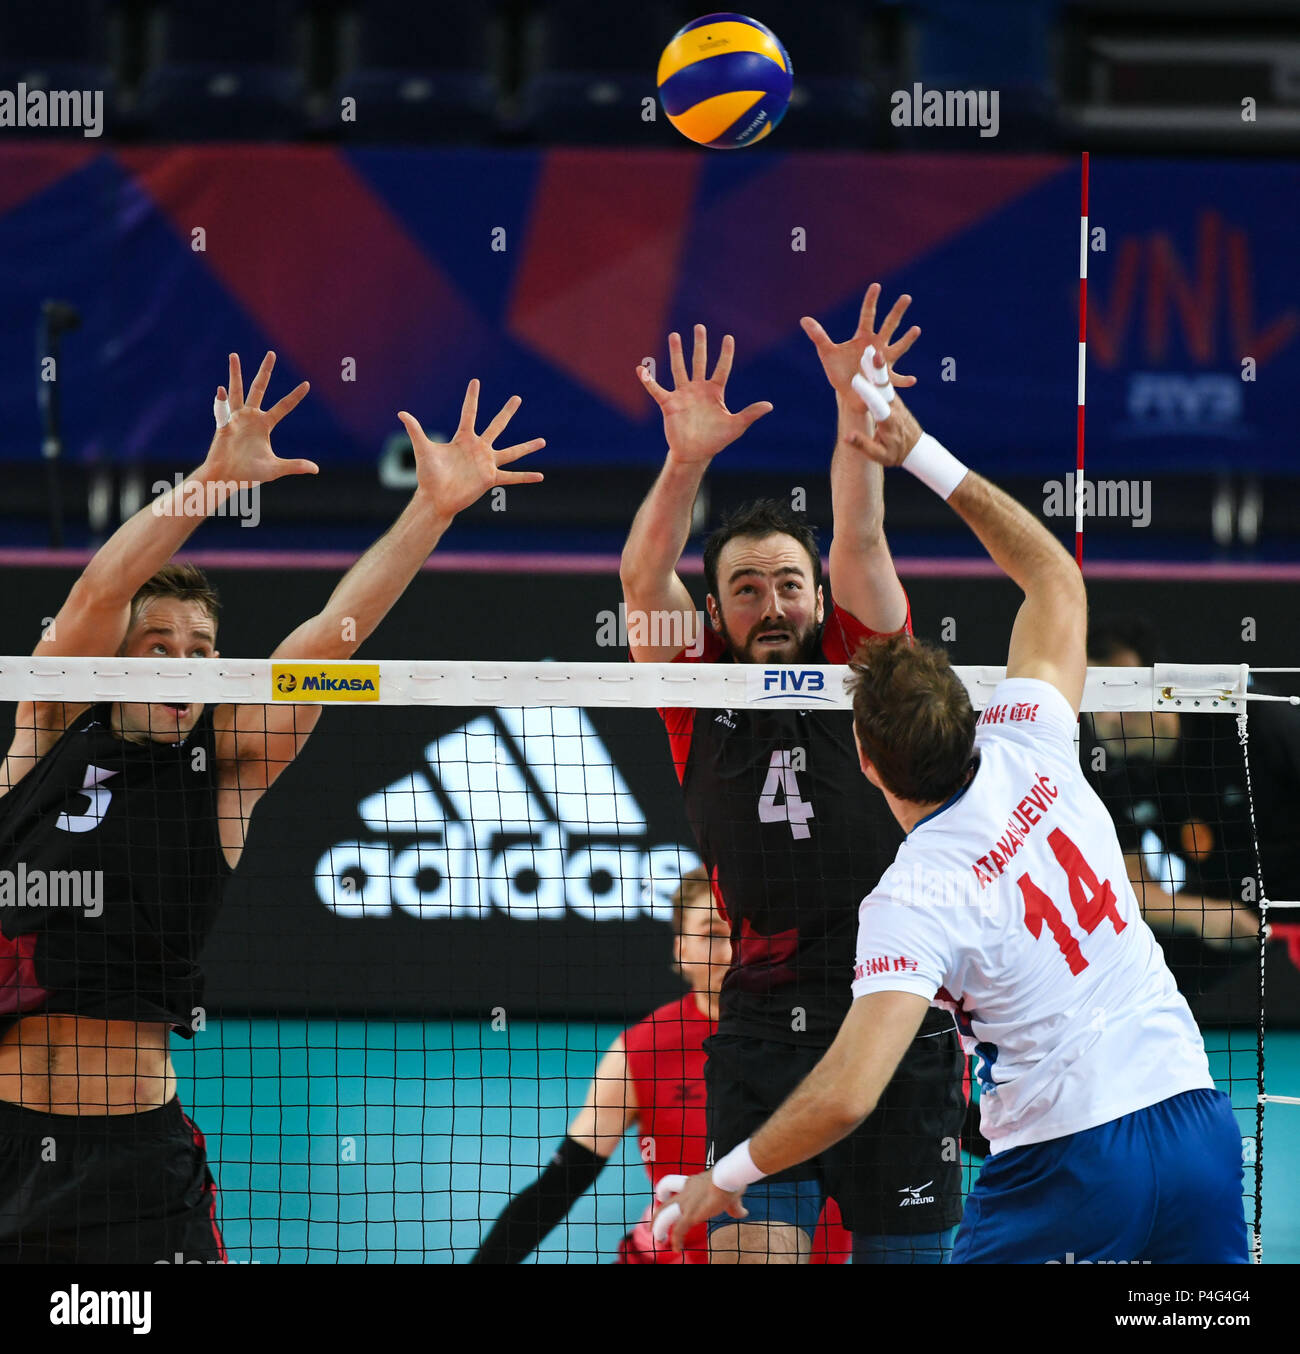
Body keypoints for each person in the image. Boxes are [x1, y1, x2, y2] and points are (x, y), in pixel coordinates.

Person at [655, 361, 1248, 1265]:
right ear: (973, 710)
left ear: (865, 760)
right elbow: (1054, 576)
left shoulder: (915, 892)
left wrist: (724, 1173)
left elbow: (849, 1090)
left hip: (1068, 1162)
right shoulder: (1036, 740)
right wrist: (918, 448)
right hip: (1198, 1122)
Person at [0, 354, 544, 1263]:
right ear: (111, 661)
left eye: (202, 648)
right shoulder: (47, 731)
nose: (182, 663)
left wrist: (430, 510)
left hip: (133, 1169)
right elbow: (96, 594)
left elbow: (337, 633)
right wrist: (211, 481)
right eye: (157, 645)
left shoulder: (227, 769)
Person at [621, 286, 965, 1264]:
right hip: (764, 1020)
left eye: (785, 583)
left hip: (897, 1001)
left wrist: (857, 413)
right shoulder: (693, 694)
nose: (768, 602)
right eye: (742, 587)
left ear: (816, 596)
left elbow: (859, 535)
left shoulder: (865, 665)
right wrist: (686, 459)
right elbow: (643, 580)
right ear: (719, 610)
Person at [470, 867, 851, 1264]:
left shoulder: (828, 1036)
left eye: (745, 935)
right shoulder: (643, 1048)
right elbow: (561, 1184)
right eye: (711, 935)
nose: (732, 953)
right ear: (680, 950)